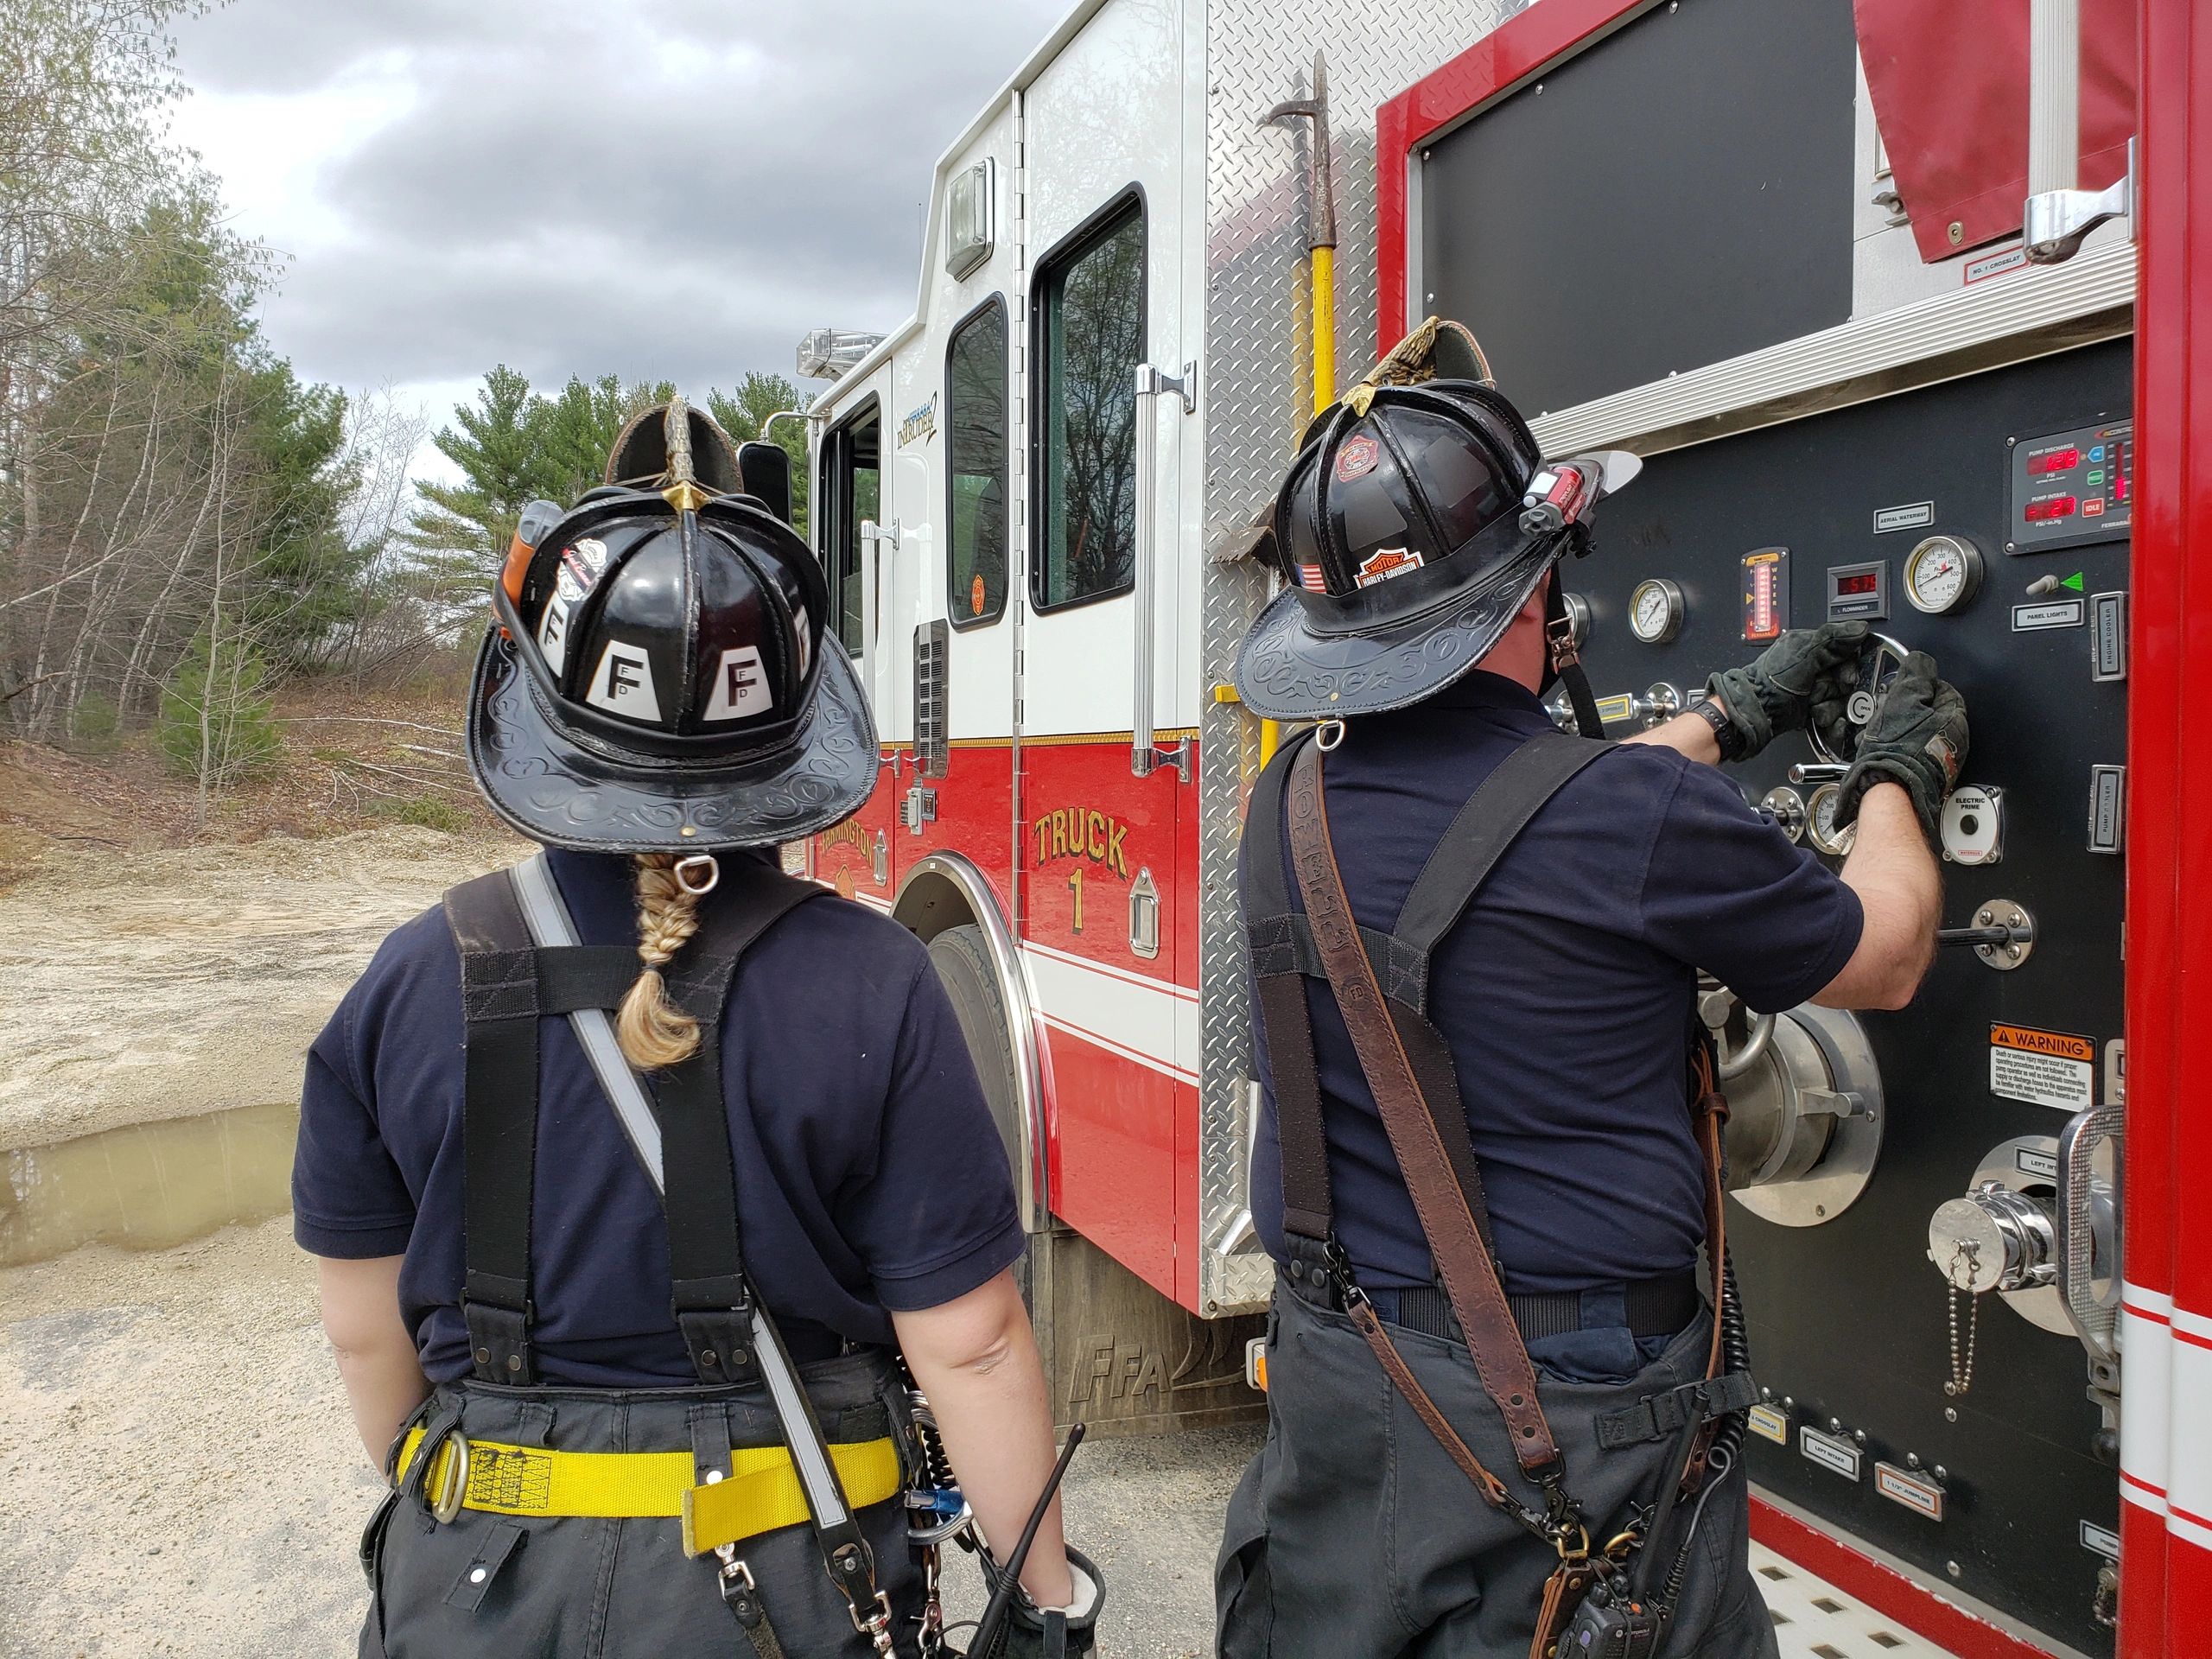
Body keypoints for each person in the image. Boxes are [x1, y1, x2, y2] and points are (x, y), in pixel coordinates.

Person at [296, 400, 1100, 1657]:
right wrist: (1048, 1608)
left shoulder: (410, 979)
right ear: (790, 724)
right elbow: (977, 1347)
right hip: (786, 1589)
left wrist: (460, 1503)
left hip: (485, 1588)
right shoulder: (879, 985)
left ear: (544, 713)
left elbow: (364, 1333)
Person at [1215, 322, 1964, 1658]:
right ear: (1532, 598)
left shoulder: (1287, 804)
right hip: (1570, 1426)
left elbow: (1527, 822)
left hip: (1342, 1394)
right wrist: (1902, 772)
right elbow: (1888, 949)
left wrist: (1728, 717)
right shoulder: (1637, 819)